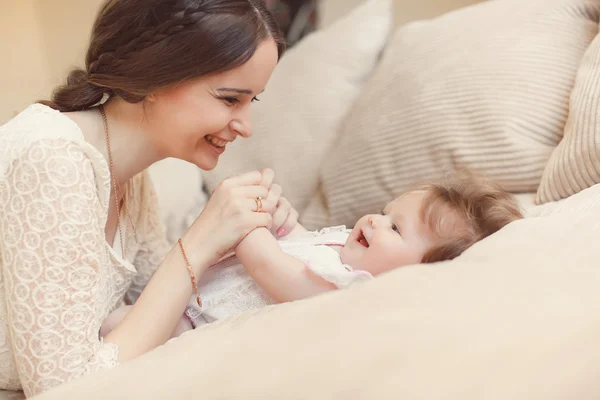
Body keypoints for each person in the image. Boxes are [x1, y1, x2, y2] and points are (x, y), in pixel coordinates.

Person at [0, 0, 291, 397]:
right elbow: (62, 391)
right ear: (158, 76)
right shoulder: (54, 158)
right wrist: (201, 238)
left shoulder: (131, 180)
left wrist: (250, 239)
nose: (246, 127)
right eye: (229, 99)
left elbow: (166, 310)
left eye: (251, 100)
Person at [101, 172, 524, 333]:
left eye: (395, 227)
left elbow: (273, 267)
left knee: (115, 327)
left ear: (420, 274)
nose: (374, 221)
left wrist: (244, 225)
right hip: (192, 292)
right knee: (122, 308)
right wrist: (284, 222)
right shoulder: (343, 251)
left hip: (193, 322)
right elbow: (301, 244)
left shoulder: (348, 292)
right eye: (383, 212)